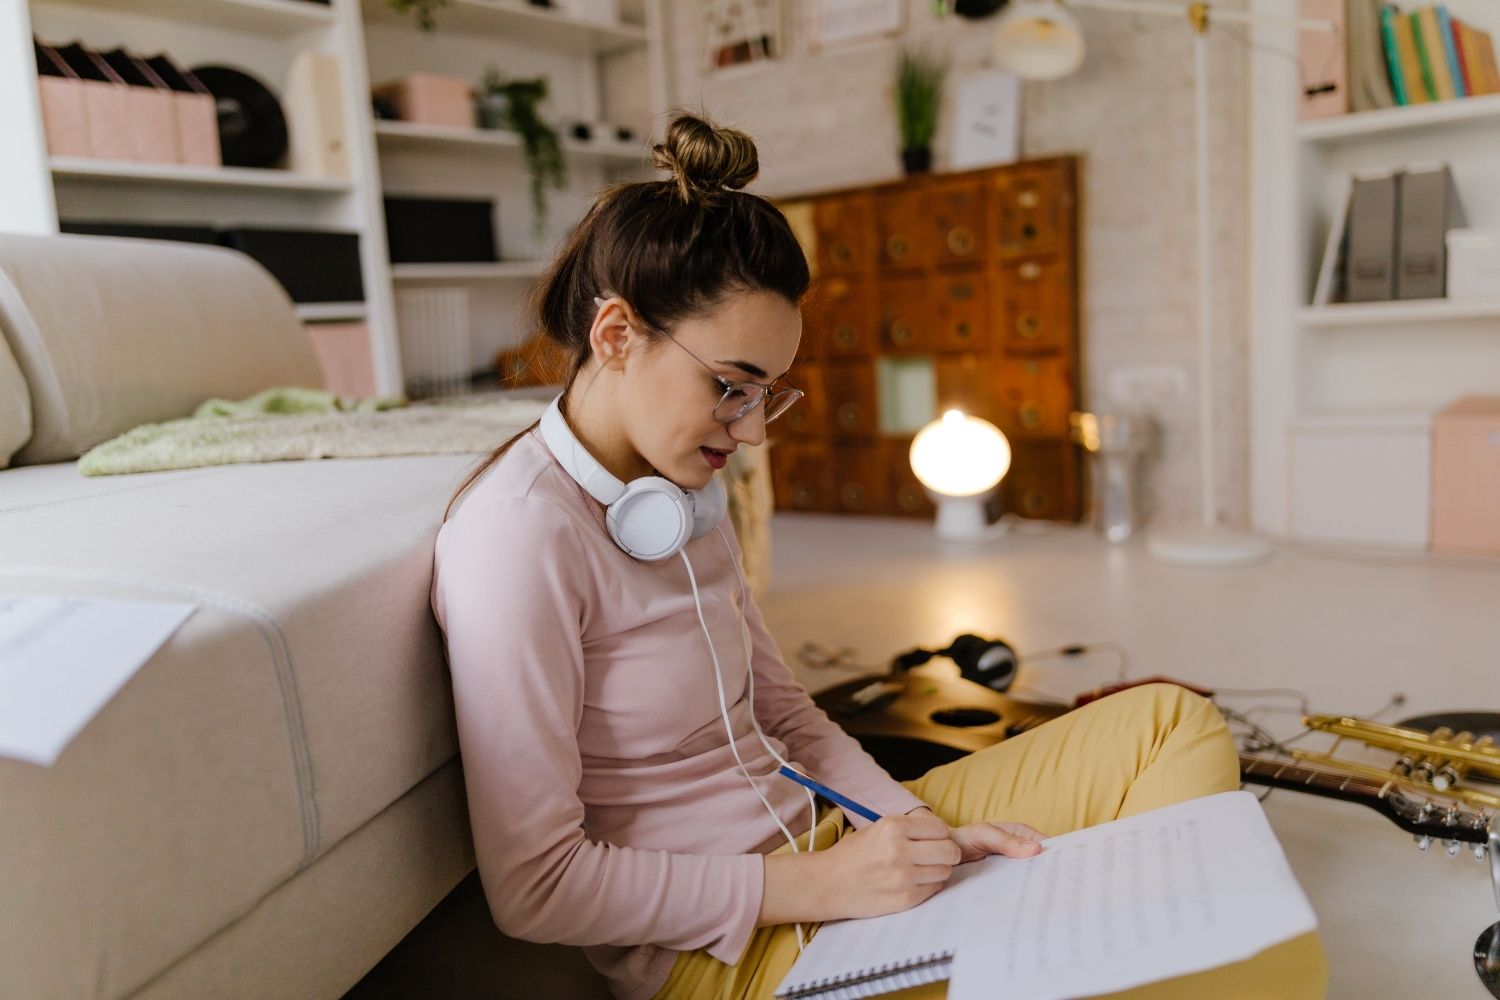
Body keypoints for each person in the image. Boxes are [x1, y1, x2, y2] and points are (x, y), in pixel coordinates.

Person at [430, 111, 1327, 1000]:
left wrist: (915, 827)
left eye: (766, 395)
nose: (751, 432)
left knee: (1170, 722)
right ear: (616, 335)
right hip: (732, 950)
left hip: (841, 844)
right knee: (1259, 972)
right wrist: (820, 887)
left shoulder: (683, 489)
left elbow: (787, 714)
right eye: (732, 387)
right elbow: (535, 888)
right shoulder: (518, 536)